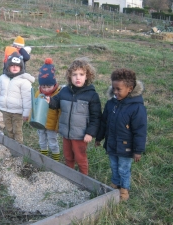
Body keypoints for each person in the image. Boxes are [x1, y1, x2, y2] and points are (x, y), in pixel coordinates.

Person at [95, 68, 147, 201]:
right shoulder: (110, 104)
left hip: (126, 147)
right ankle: (115, 185)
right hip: (112, 144)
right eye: (113, 88)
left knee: (124, 168)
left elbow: (140, 130)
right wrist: (99, 138)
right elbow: (104, 122)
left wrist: (138, 150)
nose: (115, 92)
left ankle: (124, 189)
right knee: (113, 166)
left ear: (129, 88)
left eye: (119, 89)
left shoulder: (137, 107)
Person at [46, 58, 101, 175]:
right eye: (74, 74)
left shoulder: (91, 95)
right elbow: (56, 103)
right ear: (69, 76)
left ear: (87, 76)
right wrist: (50, 101)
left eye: (81, 74)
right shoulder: (65, 91)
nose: (78, 77)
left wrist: (90, 132)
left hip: (81, 134)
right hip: (66, 132)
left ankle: (84, 177)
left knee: (80, 157)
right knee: (68, 155)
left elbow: (96, 116)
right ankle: (69, 175)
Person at [0, 52, 35, 143]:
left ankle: (18, 146)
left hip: (17, 111)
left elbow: (27, 98)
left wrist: (26, 113)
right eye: (12, 65)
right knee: (8, 128)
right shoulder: (3, 78)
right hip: (5, 110)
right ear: (8, 66)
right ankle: (11, 143)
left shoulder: (24, 81)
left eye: (17, 66)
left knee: (17, 130)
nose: (15, 67)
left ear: (21, 67)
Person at [34, 58, 62, 161]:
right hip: (40, 122)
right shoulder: (38, 93)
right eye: (43, 86)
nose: (45, 89)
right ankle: (43, 157)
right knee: (42, 140)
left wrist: (58, 126)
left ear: (54, 84)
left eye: (48, 86)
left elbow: (60, 112)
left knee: (53, 142)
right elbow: (34, 106)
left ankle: (56, 159)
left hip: (52, 125)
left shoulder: (58, 95)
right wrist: (31, 117)